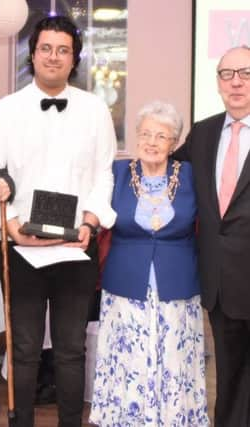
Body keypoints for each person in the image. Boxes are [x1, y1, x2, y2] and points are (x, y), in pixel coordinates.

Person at [0, 15, 117, 427]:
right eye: (46, 48)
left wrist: (90, 221)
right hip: (23, 249)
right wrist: (15, 227)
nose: (53, 57)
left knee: (72, 350)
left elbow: (104, 173)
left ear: (74, 59)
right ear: (32, 54)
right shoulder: (3, 111)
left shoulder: (94, 110)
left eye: (63, 50)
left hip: (77, 247)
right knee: (22, 349)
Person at [89, 101, 209, 426]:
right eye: (145, 134)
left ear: (174, 142)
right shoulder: (115, 173)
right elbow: (92, 210)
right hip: (125, 284)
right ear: (136, 137)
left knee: (174, 360)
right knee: (129, 361)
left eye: (162, 136)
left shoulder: (191, 176)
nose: (152, 142)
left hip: (178, 286)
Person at [174, 45, 250, 427]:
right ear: (218, 82)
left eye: (246, 73)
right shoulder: (203, 133)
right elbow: (166, 175)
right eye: (227, 74)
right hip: (220, 280)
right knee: (230, 372)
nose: (236, 82)